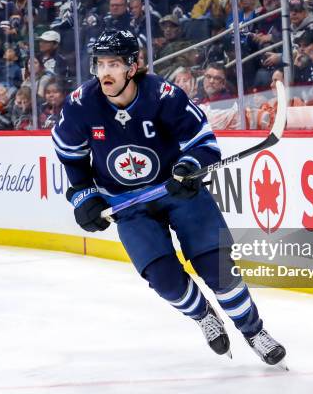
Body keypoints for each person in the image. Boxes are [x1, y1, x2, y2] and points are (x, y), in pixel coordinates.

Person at [52, 29, 287, 366]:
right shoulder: (80, 105)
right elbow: (71, 157)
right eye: (100, 64)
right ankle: (204, 315)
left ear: (132, 66)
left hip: (178, 192)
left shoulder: (163, 95)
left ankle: (253, 332)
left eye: (114, 64)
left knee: (218, 269)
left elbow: (204, 144)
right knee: (164, 280)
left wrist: (189, 167)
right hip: (125, 204)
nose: (105, 72)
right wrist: (84, 196)